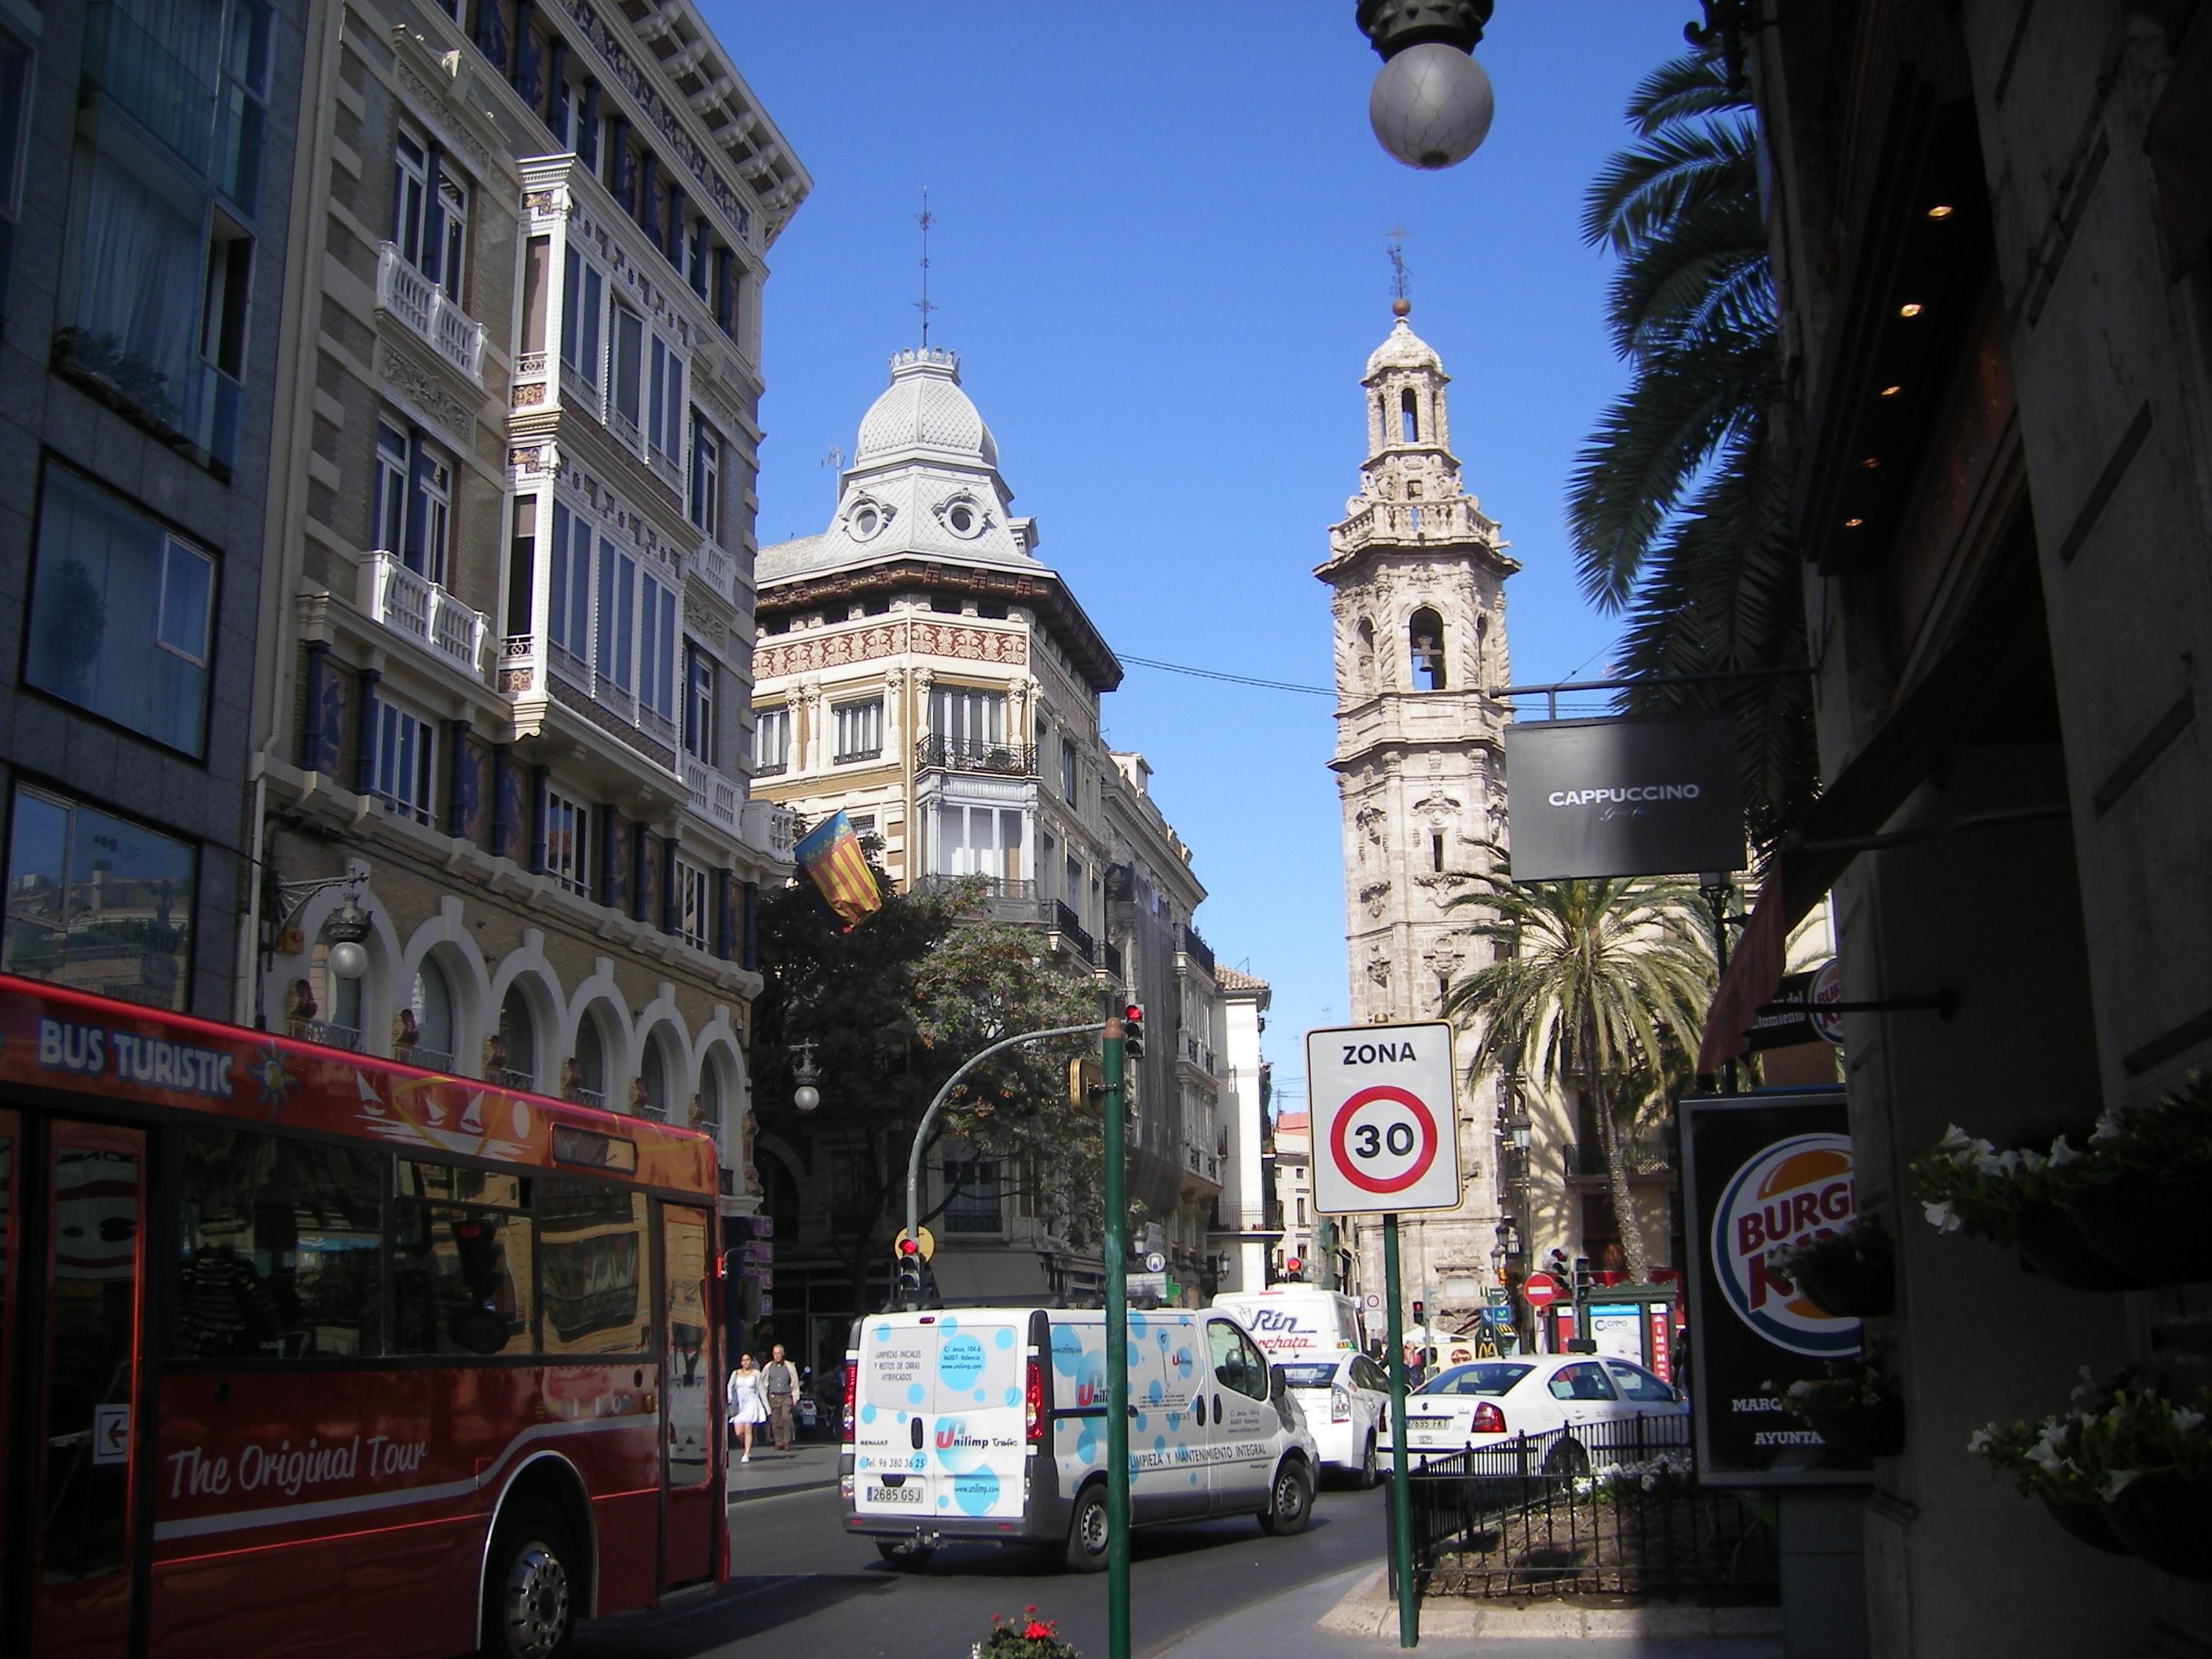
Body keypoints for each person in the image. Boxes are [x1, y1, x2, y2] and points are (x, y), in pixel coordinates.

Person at [727, 1352, 766, 1463]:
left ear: (751, 1361)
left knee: (748, 1428)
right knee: (739, 1431)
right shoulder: (736, 1373)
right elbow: (730, 1386)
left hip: (751, 1402)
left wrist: (766, 1407)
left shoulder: (756, 1374)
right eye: (743, 1360)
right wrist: (729, 1398)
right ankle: (746, 1444)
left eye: (748, 1360)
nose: (746, 1362)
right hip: (739, 1404)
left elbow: (761, 1390)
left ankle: (746, 1453)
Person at [761, 1342, 799, 1452]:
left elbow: (794, 1381)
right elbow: (763, 1382)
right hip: (773, 1396)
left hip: (786, 1395)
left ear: (783, 1354)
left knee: (786, 1417)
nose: (777, 1356)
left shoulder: (789, 1366)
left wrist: (795, 1396)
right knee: (775, 1420)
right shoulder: (768, 1367)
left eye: (779, 1353)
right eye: (775, 1354)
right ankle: (779, 1442)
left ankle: (787, 1441)